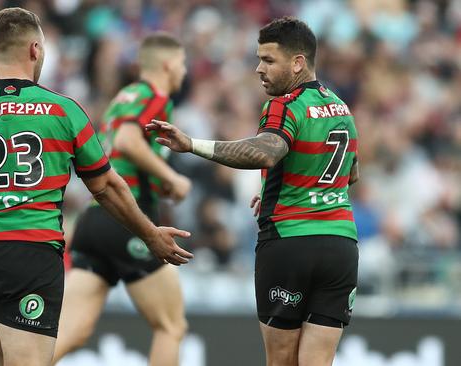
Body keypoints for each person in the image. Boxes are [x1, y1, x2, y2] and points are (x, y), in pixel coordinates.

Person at [0, 8, 193, 366]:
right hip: (31, 251)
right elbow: (107, 187)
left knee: (14, 358)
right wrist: (150, 234)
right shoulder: (63, 111)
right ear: (35, 50)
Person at [147, 16, 359, 366]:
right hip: (340, 247)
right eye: (259, 59)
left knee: (280, 361)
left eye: (269, 60)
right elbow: (350, 172)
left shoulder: (284, 104)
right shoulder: (341, 108)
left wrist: (192, 144)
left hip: (291, 244)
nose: (259, 69)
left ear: (298, 63)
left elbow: (267, 150)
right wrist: (281, 187)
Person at [52, 33, 191, 366]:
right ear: (168, 64)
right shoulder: (156, 97)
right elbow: (128, 141)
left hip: (94, 222)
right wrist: (172, 176)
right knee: (171, 326)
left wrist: (159, 178)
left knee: (72, 332)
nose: (184, 72)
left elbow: (119, 152)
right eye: (183, 64)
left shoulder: (123, 97)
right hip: (129, 222)